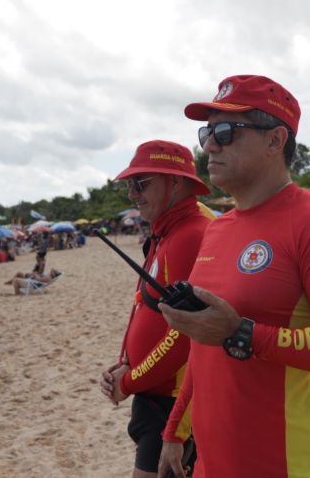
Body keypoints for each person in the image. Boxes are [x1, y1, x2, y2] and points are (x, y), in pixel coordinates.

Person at [156, 75, 310, 478]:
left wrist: (244, 334)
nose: (209, 145)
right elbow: (204, 344)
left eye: (225, 132)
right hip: (212, 463)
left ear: (275, 140)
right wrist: (175, 430)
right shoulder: (218, 227)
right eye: (207, 131)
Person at [98, 140, 212, 478]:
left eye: (141, 183)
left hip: (172, 402)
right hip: (154, 394)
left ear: (175, 182)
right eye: (130, 185)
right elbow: (144, 309)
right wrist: (124, 363)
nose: (132, 194)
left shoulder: (191, 234)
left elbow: (184, 338)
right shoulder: (166, 233)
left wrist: (129, 380)